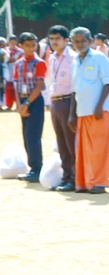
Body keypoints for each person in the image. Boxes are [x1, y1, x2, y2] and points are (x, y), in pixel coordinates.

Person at [68, 26, 109, 193]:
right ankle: (84, 182)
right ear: (72, 43)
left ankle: (99, 183)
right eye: (77, 41)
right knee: (84, 150)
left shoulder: (99, 57)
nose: (80, 44)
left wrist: (99, 106)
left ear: (91, 41)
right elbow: (74, 89)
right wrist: (71, 114)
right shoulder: (74, 61)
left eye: (83, 41)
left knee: (98, 149)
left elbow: (108, 83)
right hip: (82, 111)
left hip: (98, 112)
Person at [44, 26, 76, 191]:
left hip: (68, 100)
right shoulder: (53, 58)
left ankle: (75, 177)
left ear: (66, 40)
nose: (54, 42)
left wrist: (73, 110)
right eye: (51, 38)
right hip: (56, 101)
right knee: (61, 142)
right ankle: (66, 176)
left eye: (57, 38)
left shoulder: (72, 57)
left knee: (71, 142)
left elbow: (75, 85)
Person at [13, 33, 46, 182]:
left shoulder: (39, 63)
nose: (31, 48)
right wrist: (19, 104)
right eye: (27, 45)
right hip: (22, 100)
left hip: (35, 101)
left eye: (33, 45)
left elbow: (39, 86)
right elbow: (15, 85)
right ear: (21, 46)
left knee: (33, 136)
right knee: (26, 136)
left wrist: (27, 104)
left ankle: (37, 168)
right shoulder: (18, 63)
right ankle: (32, 166)